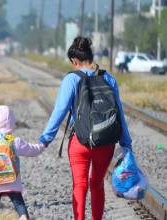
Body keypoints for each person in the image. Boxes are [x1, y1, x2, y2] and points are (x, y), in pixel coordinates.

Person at [39, 37, 132, 220]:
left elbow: (59, 111)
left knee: (80, 185)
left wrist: (46, 138)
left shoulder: (72, 79)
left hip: (80, 142)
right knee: (97, 184)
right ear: (90, 56)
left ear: (75, 61)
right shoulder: (108, 78)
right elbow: (119, 113)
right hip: (105, 142)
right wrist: (126, 143)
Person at [0, 105, 45, 220]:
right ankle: (23, 217)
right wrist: (42, 145)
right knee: (19, 204)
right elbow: (32, 150)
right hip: (12, 181)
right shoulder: (15, 141)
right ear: (12, 123)